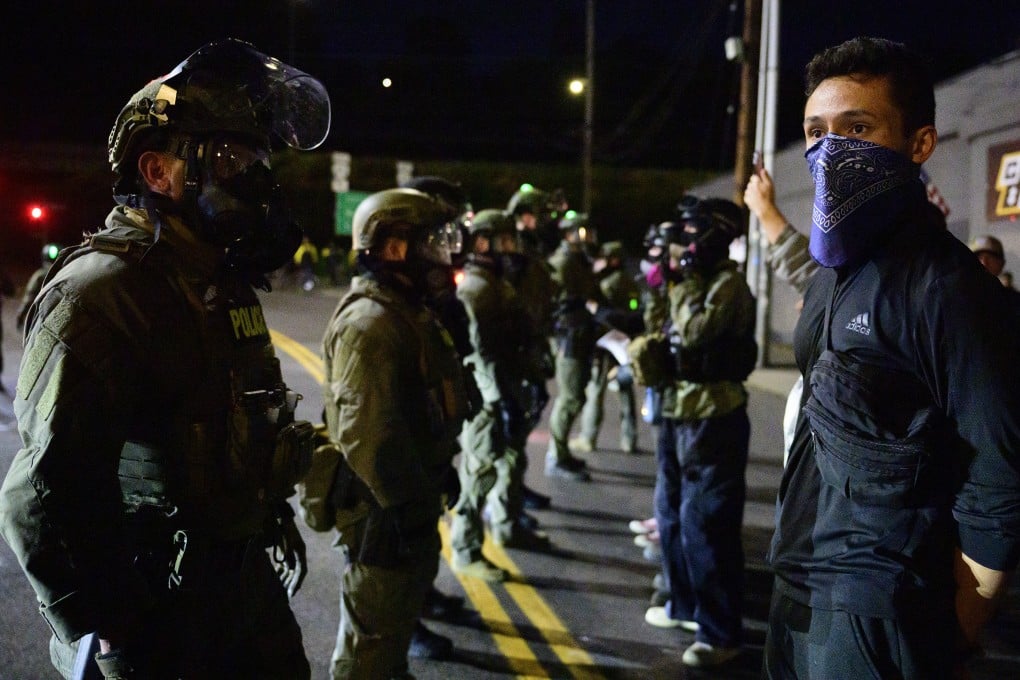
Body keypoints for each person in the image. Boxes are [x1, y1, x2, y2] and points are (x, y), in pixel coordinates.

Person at [0, 39, 330, 679]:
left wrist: (321, 471)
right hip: (157, 611)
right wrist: (118, 625)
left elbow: (242, 420)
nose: (256, 177)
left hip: (242, 587)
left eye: (257, 157)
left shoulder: (217, 281)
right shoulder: (103, 294)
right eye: (231, 158)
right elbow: (39, 496)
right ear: (158, 172)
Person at [764, 37, 1020, 679]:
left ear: (920, 144)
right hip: (797, 584)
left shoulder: (948, 289)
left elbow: (1001, 478)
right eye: (816, 132)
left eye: (858, 128)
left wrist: (958, 622)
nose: (831, 151)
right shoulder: (832, 273)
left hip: (876, 612)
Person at [321, 187, 471, 679]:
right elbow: (369, 441)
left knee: (393, 632)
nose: (444, 254)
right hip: (383, 516)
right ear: (392, 247)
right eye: (431, 241)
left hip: (408, 501)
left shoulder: (407, 313)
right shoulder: (371, 324)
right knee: (371, 645)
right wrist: (409, 505)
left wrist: (435, 472)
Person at [636, 196, 756, 668]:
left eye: (691, 234)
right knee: (687, 519)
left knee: (708, 524)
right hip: (688, 410)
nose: (682, 245)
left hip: (715, 415)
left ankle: (722, 632)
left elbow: (695, 333)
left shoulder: (727, 285)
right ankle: (693, 610)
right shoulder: (705, 281)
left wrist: (681, 283)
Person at [450, 208, 549, 584]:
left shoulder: (498, 282)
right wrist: (500, 399)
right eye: (504, 241)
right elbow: (482, 352)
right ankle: (465, 549)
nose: (512, 248)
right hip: (488, 396)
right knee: (479, 471)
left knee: (509, 462)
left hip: (507, 387)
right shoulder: (477, 288)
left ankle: (506, 525)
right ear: (482, 243)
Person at [545, 211, 604, 481]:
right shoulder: (562, 263)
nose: (588, 238)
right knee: (569, 398)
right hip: (568, 337)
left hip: (581, 335)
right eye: (582, 233)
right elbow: (553, 302)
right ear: (570, 235)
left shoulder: (579, 261)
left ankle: (562, 452)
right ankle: (556, 456)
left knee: (576, 396)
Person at [571, 240, 643, 455]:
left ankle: (588, 437)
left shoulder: (609, 283)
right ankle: (629, 439)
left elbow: (608, 315)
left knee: (595, 391)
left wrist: (595, 308)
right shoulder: (629, 281)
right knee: (625, 390)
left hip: (607, 344)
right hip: (626, 344)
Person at [15, 243, 61, 333]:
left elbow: (29, 297)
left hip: (40, 319)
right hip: (59, 320)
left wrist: (20, 315)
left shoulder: (40, 276)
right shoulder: (63, 274)